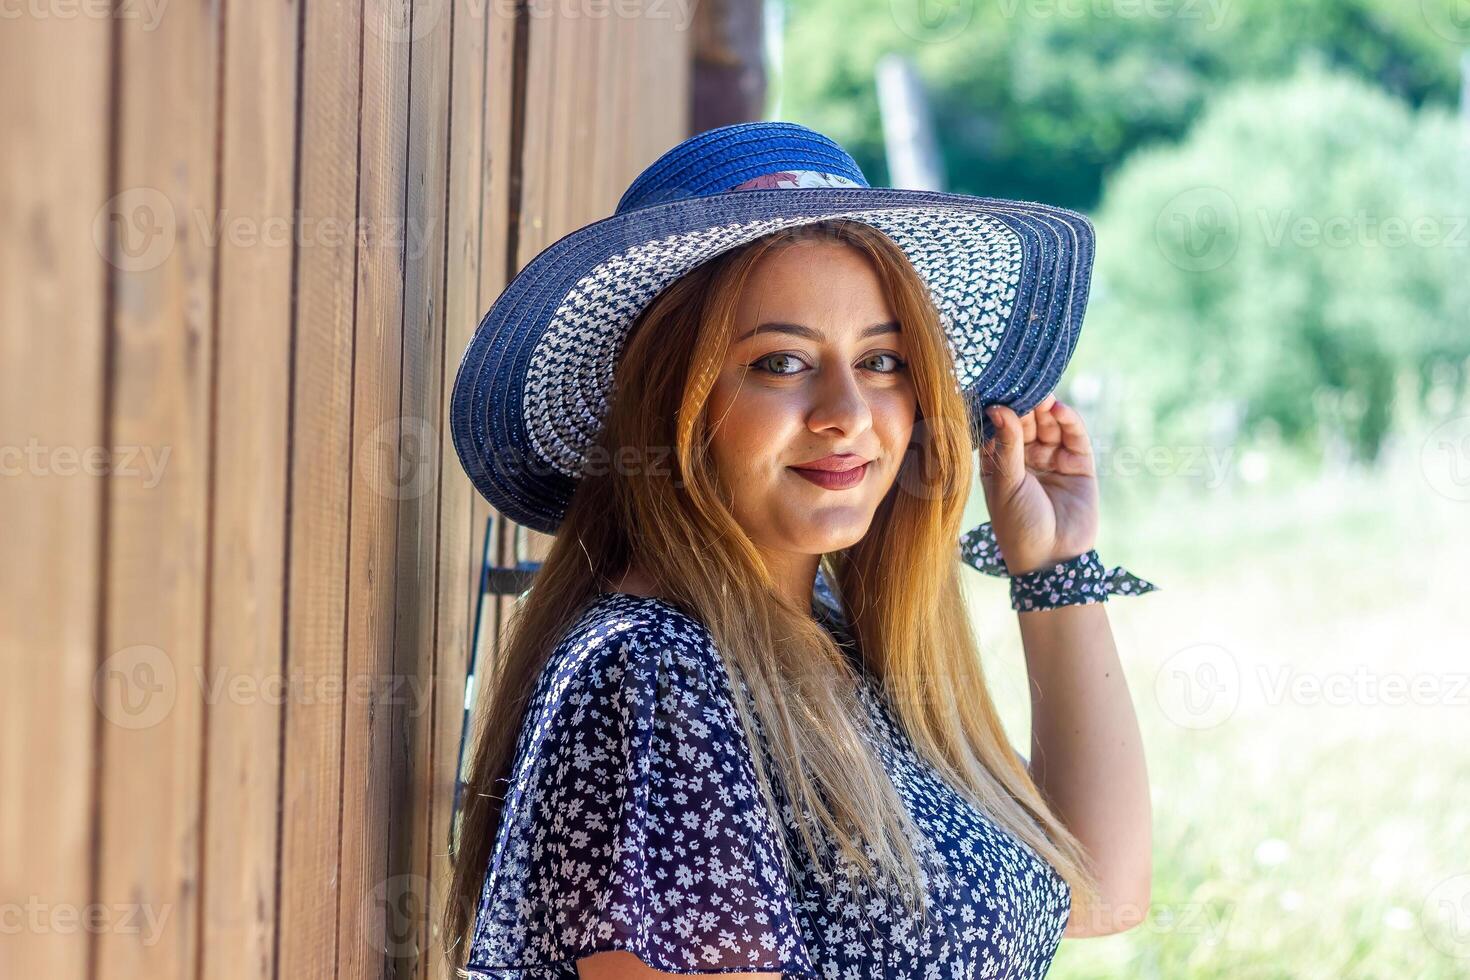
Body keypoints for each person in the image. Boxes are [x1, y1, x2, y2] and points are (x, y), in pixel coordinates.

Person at [443, 122, 1159, 980]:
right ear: (671, 397)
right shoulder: (657, 677)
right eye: (781, 362)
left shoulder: (834, 640)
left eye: (883, 360)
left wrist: (1055, 568)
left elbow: (1101, 891)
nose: (847, 412)